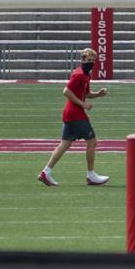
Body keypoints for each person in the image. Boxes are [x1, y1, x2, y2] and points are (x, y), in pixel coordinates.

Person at [38, 47, 110, 186]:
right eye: (88, 60)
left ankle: (45, 172)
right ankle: (91, 175)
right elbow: (66, 91)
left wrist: (98, 95)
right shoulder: (78, 74)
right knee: (92, 141)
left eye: (93, 60)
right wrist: (82, 104)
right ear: (82, 60)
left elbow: (86, 93)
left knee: (65, 144)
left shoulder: (86, 75)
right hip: (75, 113)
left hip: (70, 113)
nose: (91, 63)